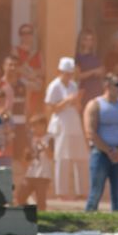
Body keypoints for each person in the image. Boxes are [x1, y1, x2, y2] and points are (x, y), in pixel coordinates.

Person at [83, 74, 118, 212]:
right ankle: (86, 224)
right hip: (100, 154)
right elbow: (91, 132)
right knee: (95, 193)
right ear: (107, 86)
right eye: (117, 84)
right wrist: (109, 150)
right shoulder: (95, 104)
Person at [47, 56, 87, 199]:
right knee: (62, 158)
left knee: (80, 158)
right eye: (66, 73)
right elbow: (53, 108)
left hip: (74, 122)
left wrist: (77, 102)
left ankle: (81, 191)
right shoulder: (54, 86)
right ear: (60, 71)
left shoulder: (73, 85)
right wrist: (68, 100)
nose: (68, 76)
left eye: (70, 73)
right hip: (61, 123)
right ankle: (61, 192)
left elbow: (76, 106)